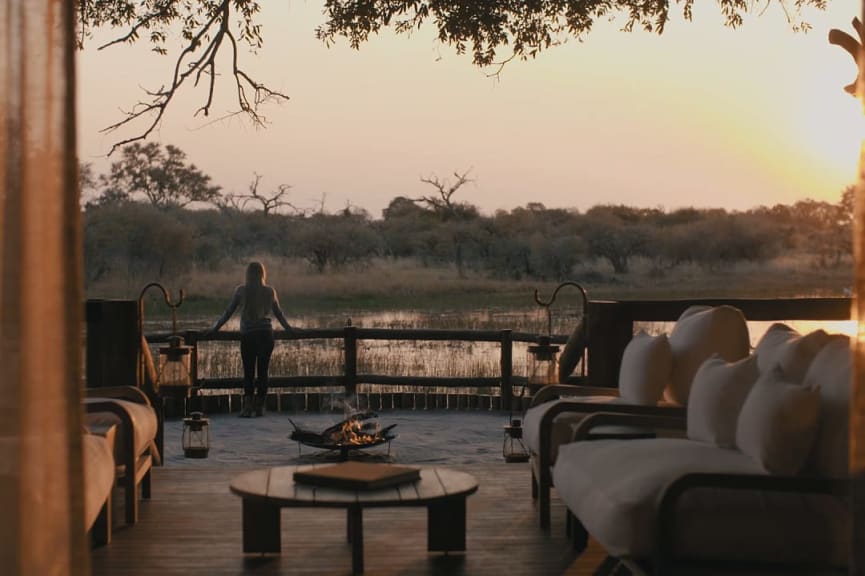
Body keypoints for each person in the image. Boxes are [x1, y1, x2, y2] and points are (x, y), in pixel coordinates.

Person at [206, 261, 295, 417]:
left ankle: (247, 408)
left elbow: (228, 312)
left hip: (248, 335)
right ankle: (259, 407)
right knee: (263, 372)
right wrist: (290, 329)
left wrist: (215, 329)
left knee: (248, 371)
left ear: (247, 274)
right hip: (266, 334)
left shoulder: (241, 291)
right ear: (263, 274)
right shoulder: (269, 291)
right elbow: (278, 314)